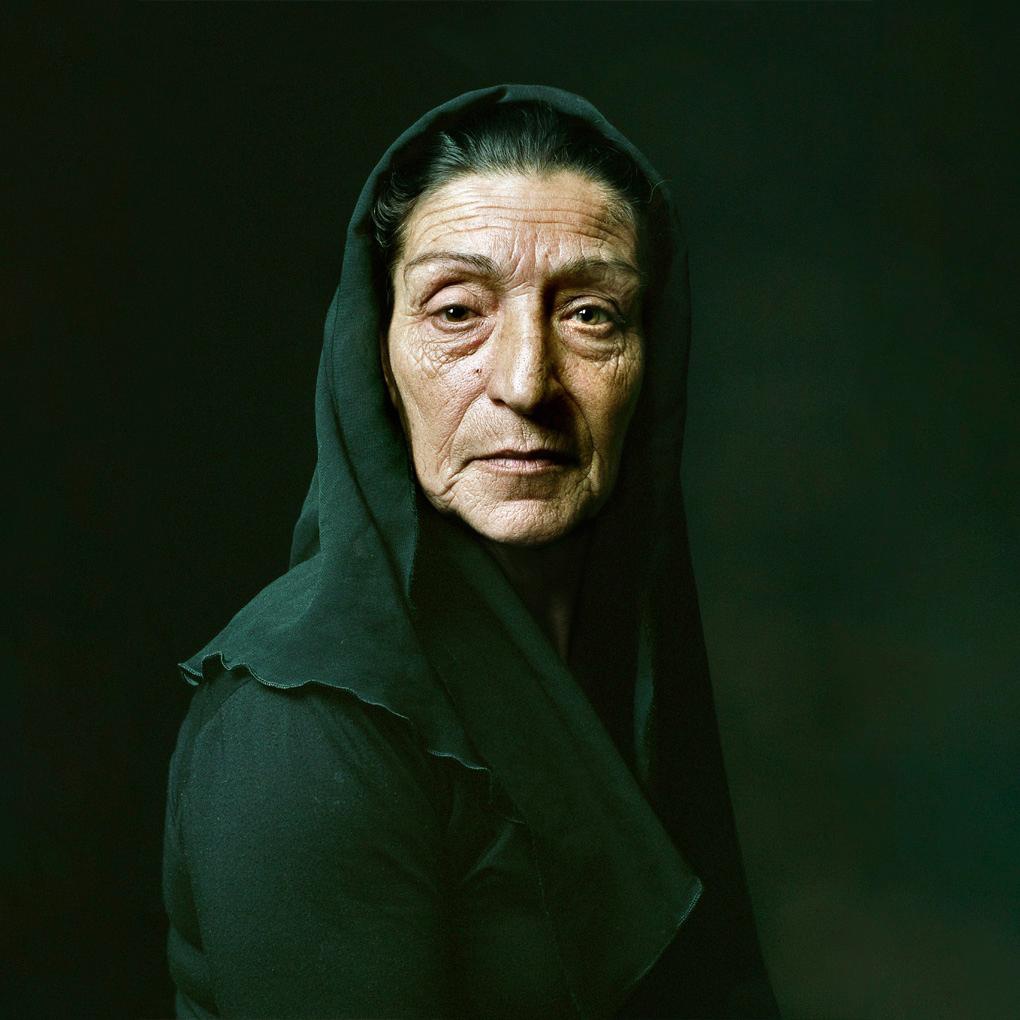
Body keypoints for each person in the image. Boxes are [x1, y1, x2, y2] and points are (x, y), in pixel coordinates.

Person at [162, 84, 778, 1019]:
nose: (526, 382)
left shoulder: (612, 658)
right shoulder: (305, 724)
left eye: (591, 315)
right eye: (457, 312)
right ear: (376, 355)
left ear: (650, 361)